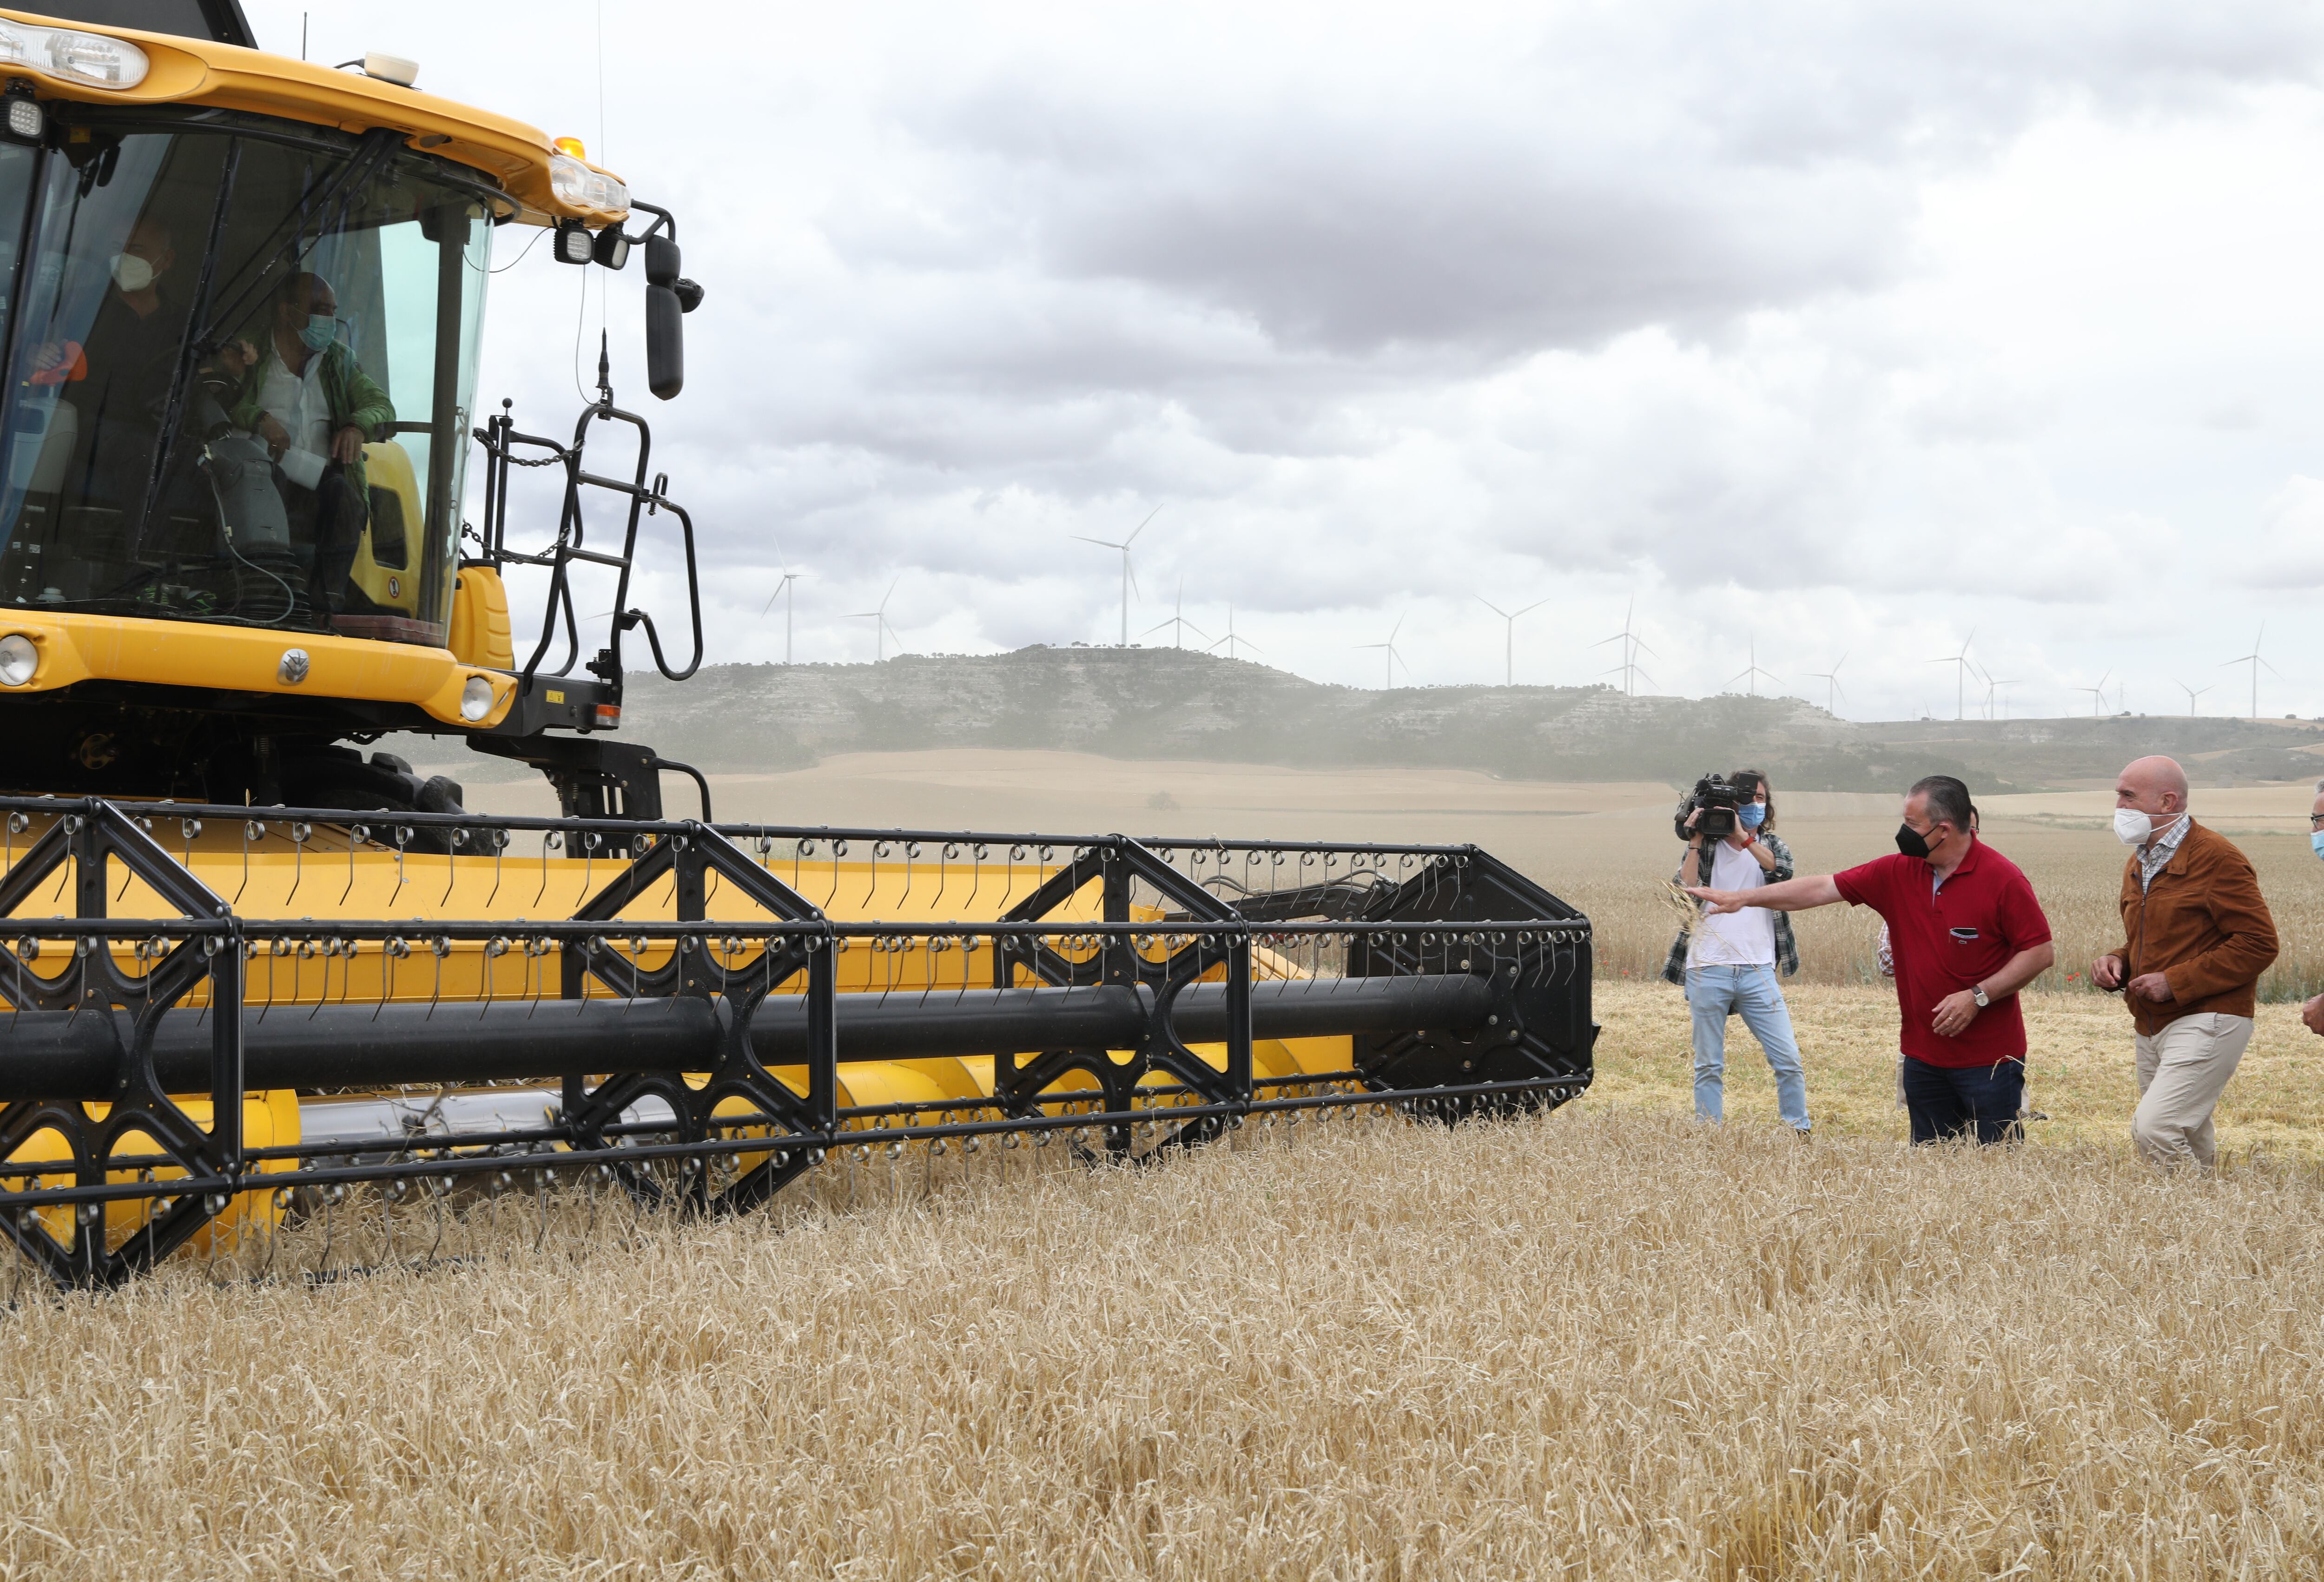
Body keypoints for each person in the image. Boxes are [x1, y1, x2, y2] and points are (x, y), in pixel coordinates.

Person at [1688, 774, 2055, 1145]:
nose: (1903, 832)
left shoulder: (2002, 878)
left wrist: (1978, 995)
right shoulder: (1898, 871)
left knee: (1995, 1171)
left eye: (1912, 825)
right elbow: (1821, 887)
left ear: (1943, 830)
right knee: (1935, 1174)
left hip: (1990, 1062)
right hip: (1923, 1058)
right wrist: (1744, 898)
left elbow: (2040, 951)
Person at [2091, 756, 2277, 1170]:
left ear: (2166, 800)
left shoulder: (2217, 857)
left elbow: (2259, 942)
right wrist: (2116, 961)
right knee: (2188, 1133)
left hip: (2209, 1016)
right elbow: (2156, 940)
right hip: (2152, 1021)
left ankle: (2189, 1212)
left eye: (2127, 796)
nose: (2118, 806)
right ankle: (2206, 1223)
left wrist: (2174, 981)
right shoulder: (2140, 859)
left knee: (2155, 1127)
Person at [218, 271, 393, 617]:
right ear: (287, 312)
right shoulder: (247, 351)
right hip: (256, 474)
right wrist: (260, 419)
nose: (328, 319)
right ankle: (262, 600)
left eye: (332, 310)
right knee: (270, 486)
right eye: (319, 309)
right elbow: (219, 398)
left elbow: (381, 406)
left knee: (345, 496)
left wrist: (358, 426)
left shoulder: (340, 361)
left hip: (315, 476)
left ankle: (324, 606)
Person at [1663, 769, 1809, 1134]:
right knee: (1708, 1064)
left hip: (1757, 968)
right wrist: (1696, 840)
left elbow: (1781, 874)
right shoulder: (1707, 846)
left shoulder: (1772, 845)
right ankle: (1709, 1133)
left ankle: (1798, 1128)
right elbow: (1683, 894)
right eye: (1749, 799)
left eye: (1761, 799)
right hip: (1707, 966)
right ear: (1730, 803)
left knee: (1788, 1058)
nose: (1755, 805)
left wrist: (1743, 837)